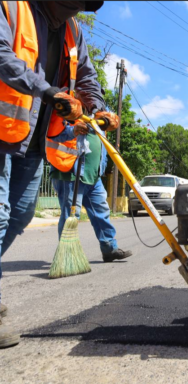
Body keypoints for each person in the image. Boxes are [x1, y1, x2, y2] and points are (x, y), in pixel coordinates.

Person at [0, 1, 119, 348]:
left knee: (20, 215)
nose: (77, 9)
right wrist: (49, 92)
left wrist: (98, 108)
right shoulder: (10, 7)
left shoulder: (73, 31)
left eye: (82, 5)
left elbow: (86, 77)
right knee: (1, 215)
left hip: (33, 139)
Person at [50, 118, 133, 263]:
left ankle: (109, 249)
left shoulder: (99, 117)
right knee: (71, 216)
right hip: (70, 173)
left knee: (102, 212)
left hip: (93, 176)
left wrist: (100, 169)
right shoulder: (70, 107)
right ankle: (66, 256)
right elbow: (55, 134)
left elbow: (101, 147)